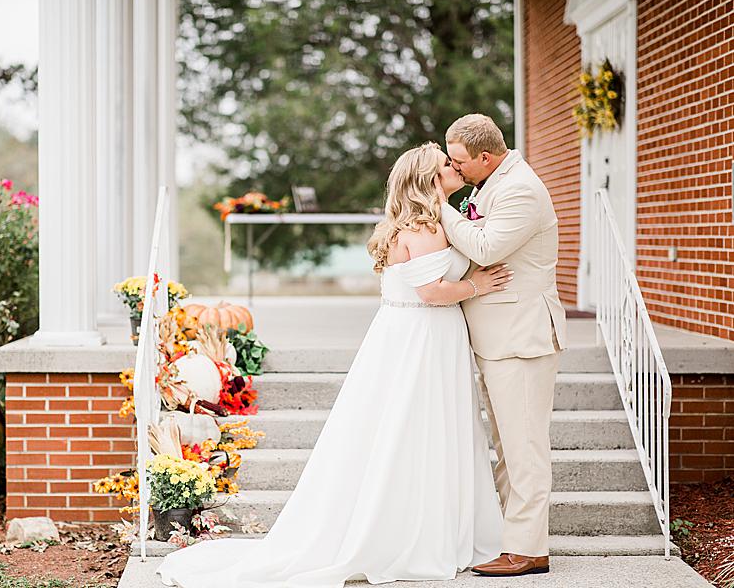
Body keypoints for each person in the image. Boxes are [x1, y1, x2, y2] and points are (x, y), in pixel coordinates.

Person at [156, 142, 511, 588]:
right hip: (422, 338)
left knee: (427, 431)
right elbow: (432, 292)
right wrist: (477, 285)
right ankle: (414, 533)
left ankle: (434, 525)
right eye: (446, 164)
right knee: (415, 431)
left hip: (424, 336)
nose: (454, 167)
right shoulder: (423, 230)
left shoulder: (424, 223)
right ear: (430, 180)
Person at [434, 113, 568, 577]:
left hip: (521, 337)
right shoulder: (493, 181)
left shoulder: (521, 189)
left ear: (485, 157)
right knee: (507, 447)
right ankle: (507, 538)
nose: (454, 168)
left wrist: (439, 205)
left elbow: (487, 248)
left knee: (525, 447)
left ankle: (529, 550)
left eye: (459, 161)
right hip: (498, 339)